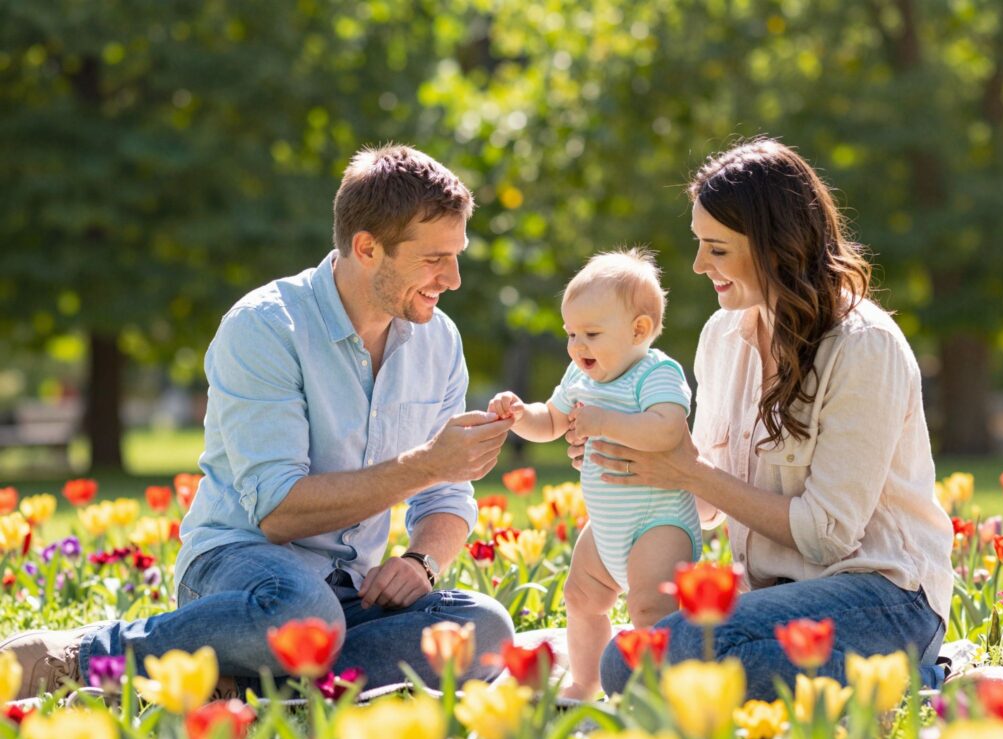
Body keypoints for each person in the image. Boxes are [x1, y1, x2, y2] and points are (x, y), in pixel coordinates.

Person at [2, 144, 516, 698]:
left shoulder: (439, 340)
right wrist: (425, 466)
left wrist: (422, 561)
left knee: (485, 631)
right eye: (435, 258)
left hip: (348, 593)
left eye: (456, 254)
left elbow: (446, 498)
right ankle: (86, 657)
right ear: (368, 248)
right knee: (301, 617)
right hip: (240, 574)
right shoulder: (266, 328)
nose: (454, 278)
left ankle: (249, 681)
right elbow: (278, 512)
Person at [584, 139, 953, 700]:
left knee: (669, 659)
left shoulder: (864, 347)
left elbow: (826, 536)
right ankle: (854, 684)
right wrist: (632, 462)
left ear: (775, 246)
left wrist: (689, 473)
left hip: (881, 597)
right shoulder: (722, 336)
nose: (698, 265)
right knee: (631, 662)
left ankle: (924, 676)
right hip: (769, 599)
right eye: (698, 244)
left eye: (717, 249)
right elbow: (707, 502)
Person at [488, 248, 699, 700]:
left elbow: (667, 430)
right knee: (581, 598)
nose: (577, 346)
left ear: (639, 330)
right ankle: (586, 682)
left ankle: (655, 693)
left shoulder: (655, 373)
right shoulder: (580, 377)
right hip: (606, 527)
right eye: (570, 334)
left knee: (650, 608)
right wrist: (521, 414)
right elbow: (552, 422)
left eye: (591, 333)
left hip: (658, 522)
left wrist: (604, 422)